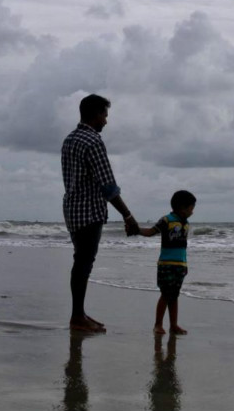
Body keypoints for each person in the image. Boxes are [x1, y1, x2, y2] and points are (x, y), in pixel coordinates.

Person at [61, 94, 140, 333]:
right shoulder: (93, 141)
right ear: (95, 114)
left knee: (80, 261)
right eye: (104, 115)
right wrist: (128, 215)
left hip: (72, 209)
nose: (106, 121)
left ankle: (79, 313)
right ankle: (77, 317)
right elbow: (108, 186)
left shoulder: (70, 139)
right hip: (89, 211)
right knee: (84, 263)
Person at [135, 190, 196, 335]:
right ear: (182, 207)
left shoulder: (185, 223)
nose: (192, 212)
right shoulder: (166, 220)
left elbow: (183, 247)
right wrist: (136, 229)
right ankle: (158, 324)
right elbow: (150, 232)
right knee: (166, 294)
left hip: (180, 266)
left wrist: (185, 265)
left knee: (174, 295)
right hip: (166, 265)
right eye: (191, 208)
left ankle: (173, 325)